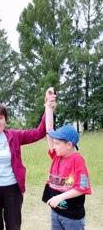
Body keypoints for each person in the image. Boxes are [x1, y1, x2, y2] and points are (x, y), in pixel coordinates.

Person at [0, 87, 56, 230]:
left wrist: (47, 108)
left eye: (1, 118)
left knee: (14, 226)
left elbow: (39, 133)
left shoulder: (14, 136)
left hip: (12, 189)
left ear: (5, 119)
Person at [42, 88, 92, 230]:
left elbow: (82, 188)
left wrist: (60, 197)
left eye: (57, 143)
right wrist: (48, 108)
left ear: (69, 145)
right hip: (56, 212)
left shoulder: (77, 160)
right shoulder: (57, 156)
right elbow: (49, 131)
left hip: (72, 217)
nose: (54, 146)